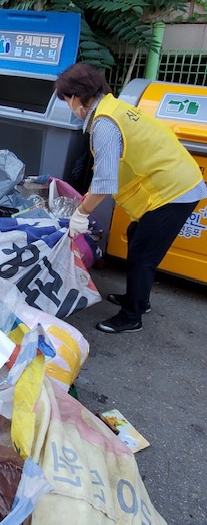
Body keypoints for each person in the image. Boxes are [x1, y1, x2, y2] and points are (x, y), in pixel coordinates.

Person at [54, 63, 207, 334]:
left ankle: (131, 316)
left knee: (142, 254)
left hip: (175, 190)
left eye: (67, 100)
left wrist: (80, 214)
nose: (69, 106)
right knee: (137, 235)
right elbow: (107, 172)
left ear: (77, 97)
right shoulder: (113, 108)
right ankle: (138, 299)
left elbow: (104, 183)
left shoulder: (105, 123)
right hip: (178, 181)